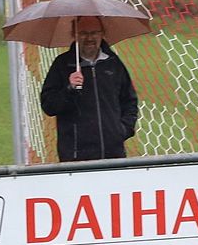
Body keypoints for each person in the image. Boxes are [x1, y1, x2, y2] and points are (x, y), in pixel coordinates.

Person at [40, 16, 139, 162]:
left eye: (94, 32)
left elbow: (129, 101)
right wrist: (69, 89)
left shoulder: (113, 64)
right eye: (83, 33)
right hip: (75, 156)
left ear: (102, 33)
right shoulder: (62, 65)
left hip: (113, 153)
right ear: (74, 35)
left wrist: (122, 130)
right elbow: (49, 106)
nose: (89, 38)